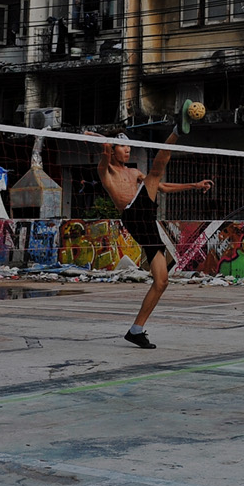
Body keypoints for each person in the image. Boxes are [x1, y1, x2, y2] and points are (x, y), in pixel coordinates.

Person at [91, 125, 213, 349]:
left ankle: (135, 330)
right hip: (132, 213)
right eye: (122, 146)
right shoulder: (106, 170)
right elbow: (106, 149)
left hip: (147, 220)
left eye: (128, 146)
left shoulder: (135, 173)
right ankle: (176, 130)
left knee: (161, 281)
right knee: (156, 171)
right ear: (114, 149)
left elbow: (162, 187)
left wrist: (194, 185)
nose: (127, 150)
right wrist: (99, 138)